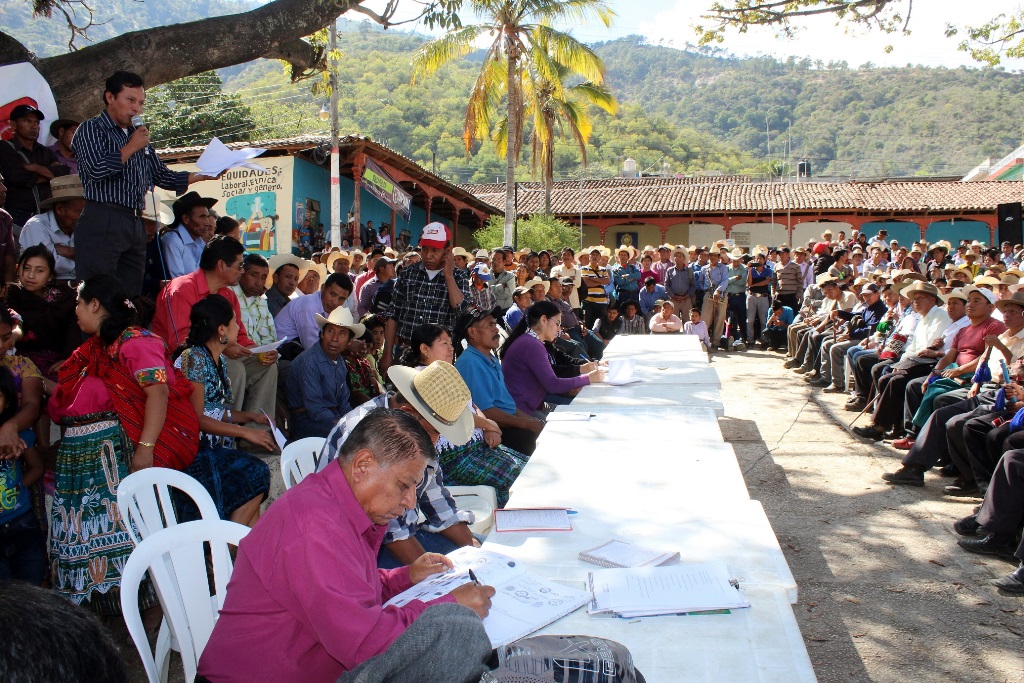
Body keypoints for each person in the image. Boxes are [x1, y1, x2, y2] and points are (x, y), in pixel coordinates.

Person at [197, 409, 495, 683]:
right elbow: (366, 643)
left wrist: (405, 577)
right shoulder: (315, 527)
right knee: (457, 634)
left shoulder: (340, 505)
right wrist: (452, 606)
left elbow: (350, 587)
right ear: (363, 465)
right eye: (404, 485)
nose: (410, 502)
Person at [49, 275, 199, 618]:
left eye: (78, 303)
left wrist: (145, 448)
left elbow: (157, 392)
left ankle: (158, 617)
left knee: (137, 532)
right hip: (97, 459)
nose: (75, 311)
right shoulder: (102, 346)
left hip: (126, 454)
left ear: (95, 305)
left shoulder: (134, 343)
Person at [73, 71, 210, 294]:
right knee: (98, 294)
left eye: (141, 103)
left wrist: (203, 175)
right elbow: (95, 170)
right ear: (110, 97)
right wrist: (131, 146)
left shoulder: (138, 135)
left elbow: (162, 175)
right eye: (130, 100)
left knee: (130, 295)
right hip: (103, 218)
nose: (137, 108)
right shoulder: (91, 129)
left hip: (136, 221)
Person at [153, 237, 279, 436]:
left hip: (219, 352)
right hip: (183, 363)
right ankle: (226, 435)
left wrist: (260, 352)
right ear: (221, 265)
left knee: (267, 366)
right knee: (234, 367)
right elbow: (180, 343)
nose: (242, 271)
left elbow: (241, 336)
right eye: (239, 266)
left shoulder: (228, 295)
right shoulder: (181, 289)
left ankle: (258, 435)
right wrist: (227, 348)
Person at [402, 323, 527, 507]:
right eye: (444, 343)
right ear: (424, 349)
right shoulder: (420, 379)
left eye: (451, 343)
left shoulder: (448, 373)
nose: (451, 348)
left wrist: (488, 427)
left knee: (527, 468)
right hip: (455, 458)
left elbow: (472, 406)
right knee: (518, 476)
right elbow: (453, 415)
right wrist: (490, 425)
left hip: (478, 447)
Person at [173, 295, 273, 526]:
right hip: (195, 451)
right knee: (256, 472)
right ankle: (223, 549)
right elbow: (197, 419)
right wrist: (245, 432)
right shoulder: (195, 358)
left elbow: (215, 410)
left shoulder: (218, 360)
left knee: (251, 496)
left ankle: (238, 554)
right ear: (221, 329)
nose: (238, 327)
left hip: (212, 447)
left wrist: (250, 417)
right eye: (235, 321)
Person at [381, 222, 470, 376]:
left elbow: (460, 308)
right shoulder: (408, 273)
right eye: (424, 249)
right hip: (405, 352)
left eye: (435, 250)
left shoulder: (458, 276)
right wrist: (387, 353)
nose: (428, 255)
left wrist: (448, 276)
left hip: (439, 358)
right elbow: (393, 314)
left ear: (447, 251)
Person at [455, 307, 545, 456]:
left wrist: (531, 421)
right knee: (535, 439)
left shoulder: (490, 357)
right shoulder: (471, 363)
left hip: (508, 422)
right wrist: (526, 424)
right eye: (490, 325)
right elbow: (486, 411)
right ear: (472, 332)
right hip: (494, 431)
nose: (496, 329)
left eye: (495, 324)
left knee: (542, 425)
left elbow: (507, 404)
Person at [500, 301, 604, 415]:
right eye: (557, 323)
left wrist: (573, 386)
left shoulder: (530, 340)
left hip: (532, 404)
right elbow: (553, 385)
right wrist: (588, 378)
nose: (559, 330)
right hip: (523, 410)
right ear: (543, 320)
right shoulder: (531, 344)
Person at [4, 245, 79, 386]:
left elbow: (72, 329)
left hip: (56, 360)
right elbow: (15, 322)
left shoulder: (64, 298)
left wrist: (67, 358)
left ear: (50, 275)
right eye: (26, 268)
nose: (31, 275)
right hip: (19, 359)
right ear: (17, 269)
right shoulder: (11, 294)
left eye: (39, 271)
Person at [287, 306, 365, 439]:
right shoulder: (309, 361)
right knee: (349, 438)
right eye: (330, 331)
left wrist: (351, 421)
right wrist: (342, 424)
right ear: (322, 334)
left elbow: (343, 403)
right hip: (307, 421)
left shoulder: (340, 362)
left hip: (331, 417)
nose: (335, 338)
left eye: (342, 334)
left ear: (349, 342)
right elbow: (315, 409)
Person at [0, 364, 45, 584]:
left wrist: (18, 488)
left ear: (7, 401)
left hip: (22, 524)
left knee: (31, 590)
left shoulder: (18, 434)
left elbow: (37, 467)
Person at [0, 104, 69, 227]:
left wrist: (36, 168)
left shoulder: (45, 151)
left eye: (37, 123)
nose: (34, 126)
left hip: (46, 213)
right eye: (27, 121)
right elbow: (16, 177)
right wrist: (49, 175)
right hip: (18, 214)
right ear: (13, 124)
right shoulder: (5, 148)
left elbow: (63, 173)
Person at [18, 174, 84, 281]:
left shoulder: (84, 225)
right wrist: (83, 257)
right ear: (59, 209)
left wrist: (71, 252)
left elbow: (99, 259)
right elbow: (49, 265)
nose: (83, 216)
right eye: (79, 212)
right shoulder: (36, 226)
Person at [275, 271, 354, 351]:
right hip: (279, 353)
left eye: (341, 299)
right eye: (333, 294)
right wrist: (347, 347)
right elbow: (312, 348)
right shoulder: (310, 307)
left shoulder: (324, 306)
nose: (335, 302)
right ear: (323, 288)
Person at [161, 191, 217, 279]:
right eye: (202, 217)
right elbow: (178, 280)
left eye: (207, 217)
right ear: (186, 219)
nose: (207, 223)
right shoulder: (173, 240)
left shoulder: (200, 241)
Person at [701, 249, 729, 350]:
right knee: (705, 319)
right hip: (708, 294)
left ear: (718, 257)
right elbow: (701, 281)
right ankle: (703, 341)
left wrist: (718, 290)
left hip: (721, 294)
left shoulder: (723, 268)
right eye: (711, 255)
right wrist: (707, 290)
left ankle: (716, 342)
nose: (712, 257)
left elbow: (725, 280)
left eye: (715, 255)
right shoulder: (704, 269)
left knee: (720, 318)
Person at [264, 253, 308, 318]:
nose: (292, 283)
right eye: (288, 277)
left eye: (296, 279)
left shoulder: (285, 301)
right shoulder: (269, 302)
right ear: (276, 278)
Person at [580, 247, 610, 326]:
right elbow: (587, 283)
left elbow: (607, 281)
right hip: (588, 302)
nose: (594, 256)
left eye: (597, 255)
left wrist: (593, 279)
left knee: (600, 326)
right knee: (587, 325)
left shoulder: (603, 269)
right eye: (592, 255)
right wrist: (601, 280)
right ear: (589, 257)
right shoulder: (584, 268)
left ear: (600, 258)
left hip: (601, 303)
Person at [664, 246, 694, 316]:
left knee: (688, 321)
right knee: (673, 321)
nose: (677, 257)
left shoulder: (689, 271)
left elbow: (693, 285)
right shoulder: (669, 271)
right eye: (676, 256)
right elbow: (666, 284)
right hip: (674, 299)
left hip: (686, 299)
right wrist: (672, 296)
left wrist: (687, 296)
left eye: (680, 256)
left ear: (684, 258)